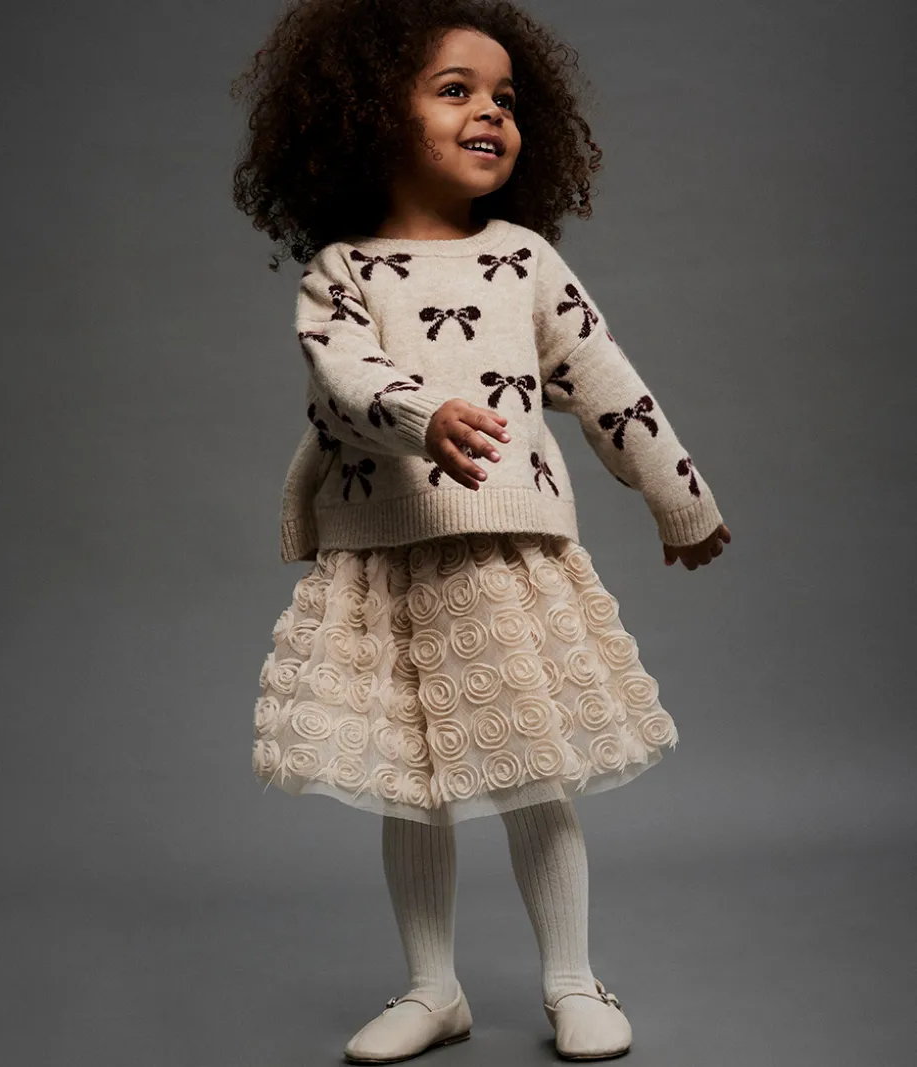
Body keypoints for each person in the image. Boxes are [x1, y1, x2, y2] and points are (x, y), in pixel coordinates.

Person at [231, 1, 731, 1061]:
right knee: (410, 785)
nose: (491, 113)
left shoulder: (523, 261)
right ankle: (432, 988)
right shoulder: (342, 271)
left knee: (531, 766)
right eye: (455, 90)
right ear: (369, 114)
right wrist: (426, 415)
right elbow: (344, 382)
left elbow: (608, 382)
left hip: (504, 549)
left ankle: (571, 979)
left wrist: (678, 495)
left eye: (505, 97)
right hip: (387, 553)